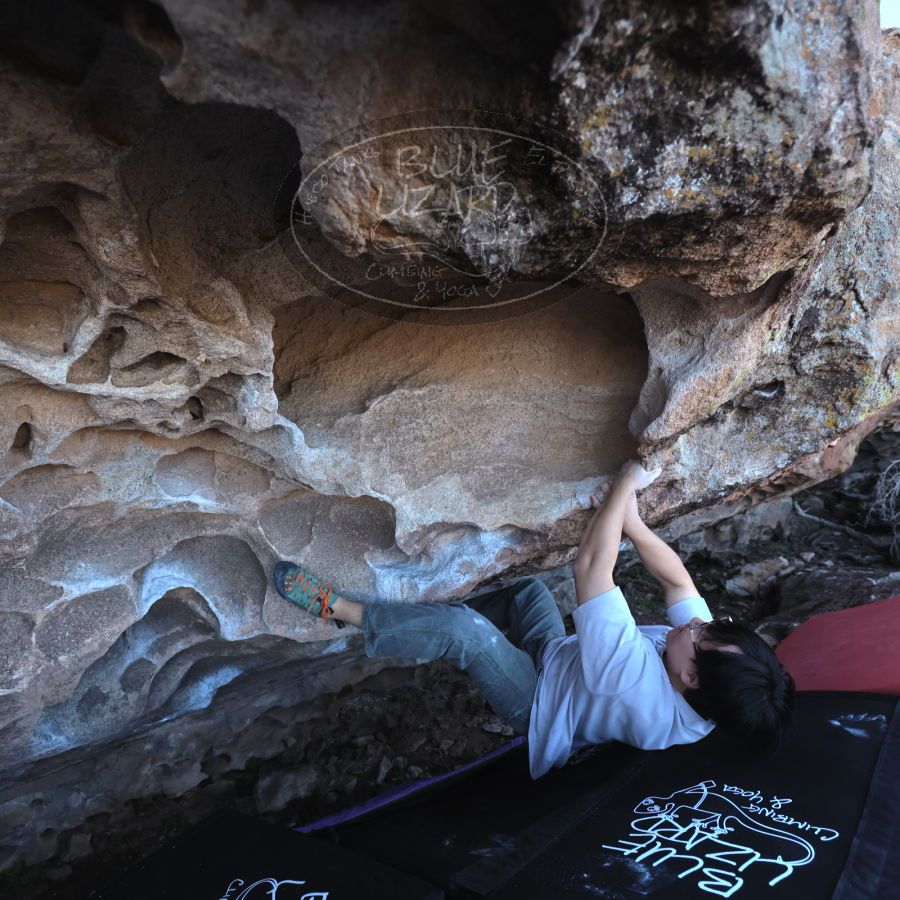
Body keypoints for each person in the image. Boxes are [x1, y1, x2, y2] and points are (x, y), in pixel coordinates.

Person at [272, 459, 796, 779]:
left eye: (701, 636)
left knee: (467, 634)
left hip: (539, 703)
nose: (696, 625)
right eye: (710, 625)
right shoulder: (709, 676)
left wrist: (624, 485)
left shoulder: (635, 687)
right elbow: (679, 584)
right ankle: (415, 620)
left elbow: (590, 567)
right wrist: (632, 520)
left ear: (689, 678)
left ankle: (343, 611)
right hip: (562, 662)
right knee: (525, 591)